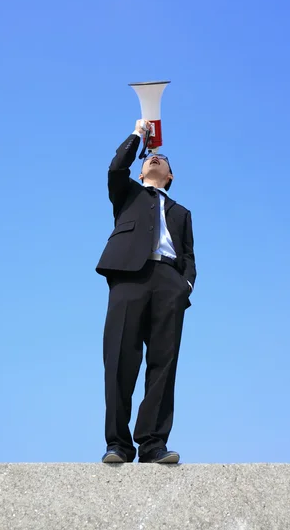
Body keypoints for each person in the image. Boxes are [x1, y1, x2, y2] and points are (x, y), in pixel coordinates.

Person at [95, 119, 196, 464]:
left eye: (163, 160)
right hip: (128, 278)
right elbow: (115, 167)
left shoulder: (182, 213)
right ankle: (118, 444)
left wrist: (185, 286)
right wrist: (139, 135)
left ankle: (153, 444)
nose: (156, 160)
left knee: (163, 364)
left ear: (169, 176)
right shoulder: (128, 195)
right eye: (150, 159)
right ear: (140, 173)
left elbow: (189, 256)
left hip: (169, 282)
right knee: (120, 359)